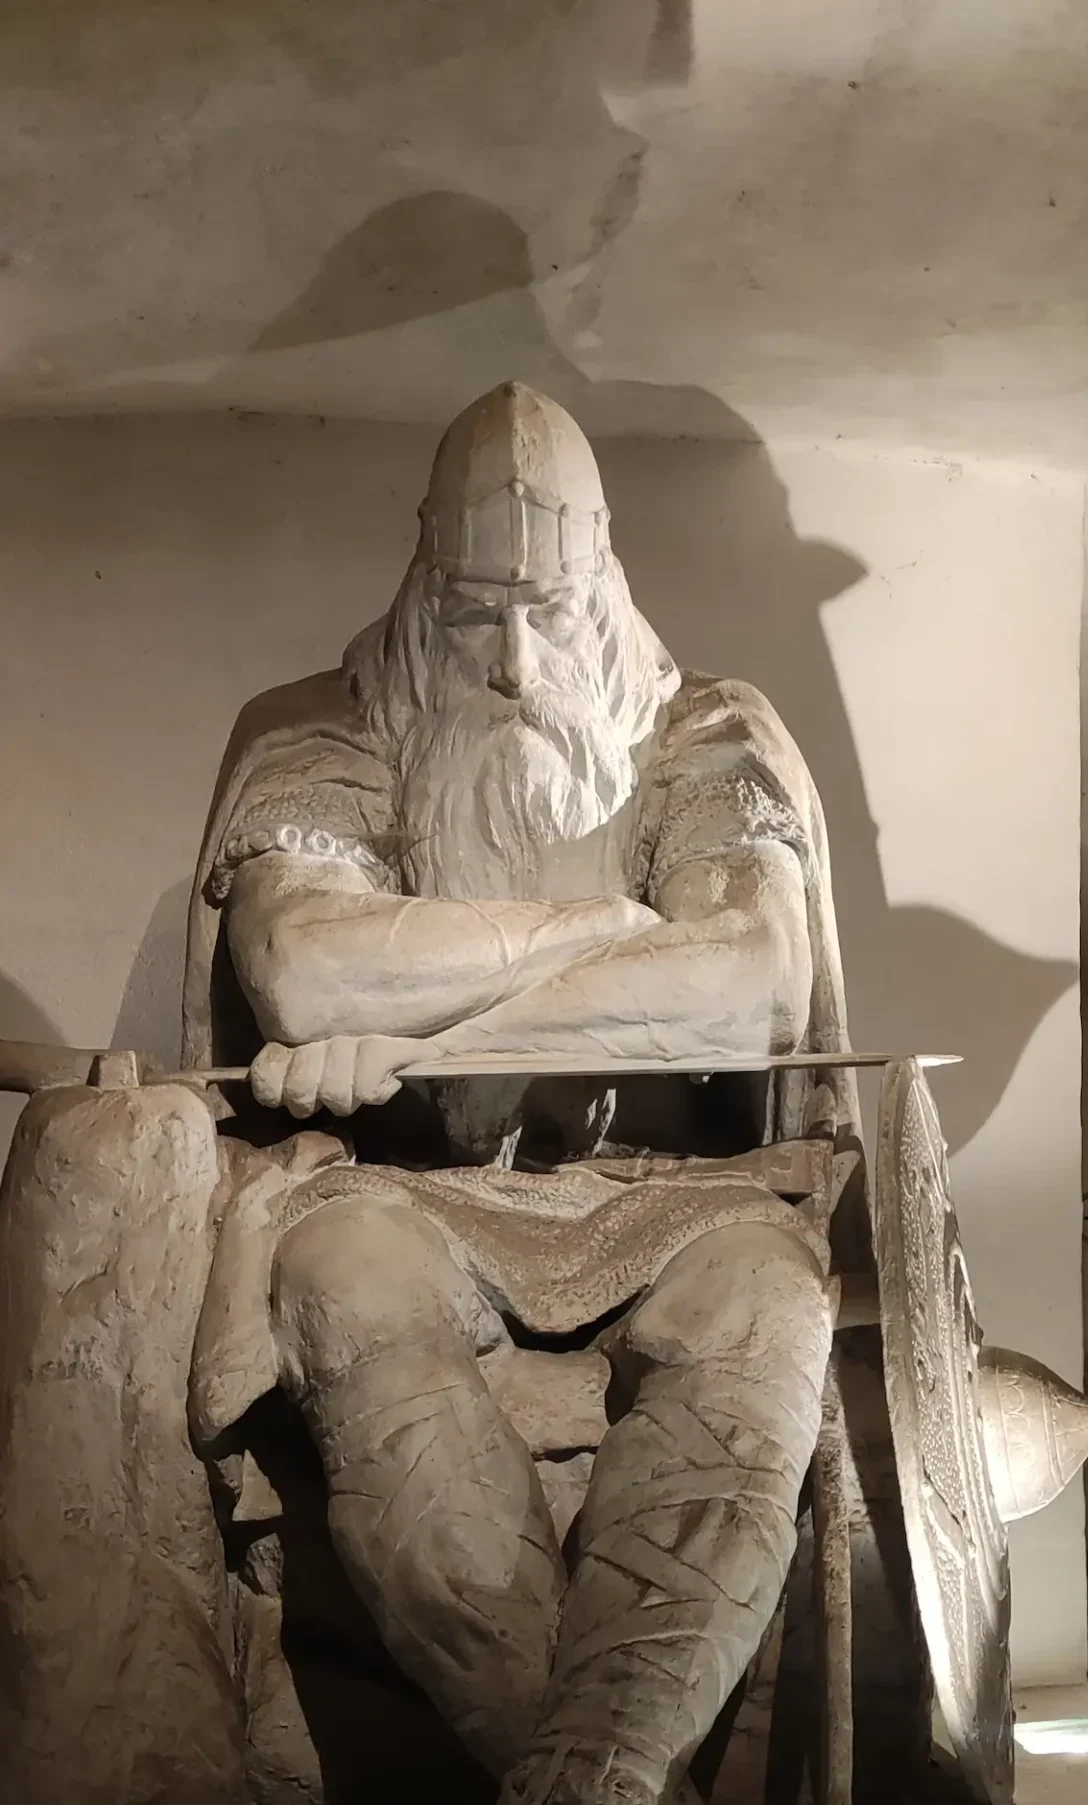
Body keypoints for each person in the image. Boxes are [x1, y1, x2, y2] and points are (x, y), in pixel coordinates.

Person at [180, 381, 853, 1805]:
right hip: (403, 1192)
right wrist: (614, 929)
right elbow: (305, 970)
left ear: (605, 579)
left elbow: (748, 985)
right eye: (476, 611)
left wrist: (442, 1024)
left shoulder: (705, 733)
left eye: (548, 608)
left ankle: (595, 1770)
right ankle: (604, 1779)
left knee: (764, 1307)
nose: (513, 660)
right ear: (423, 576)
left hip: (677, 1195)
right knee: (342, 1280)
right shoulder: (320, 732)